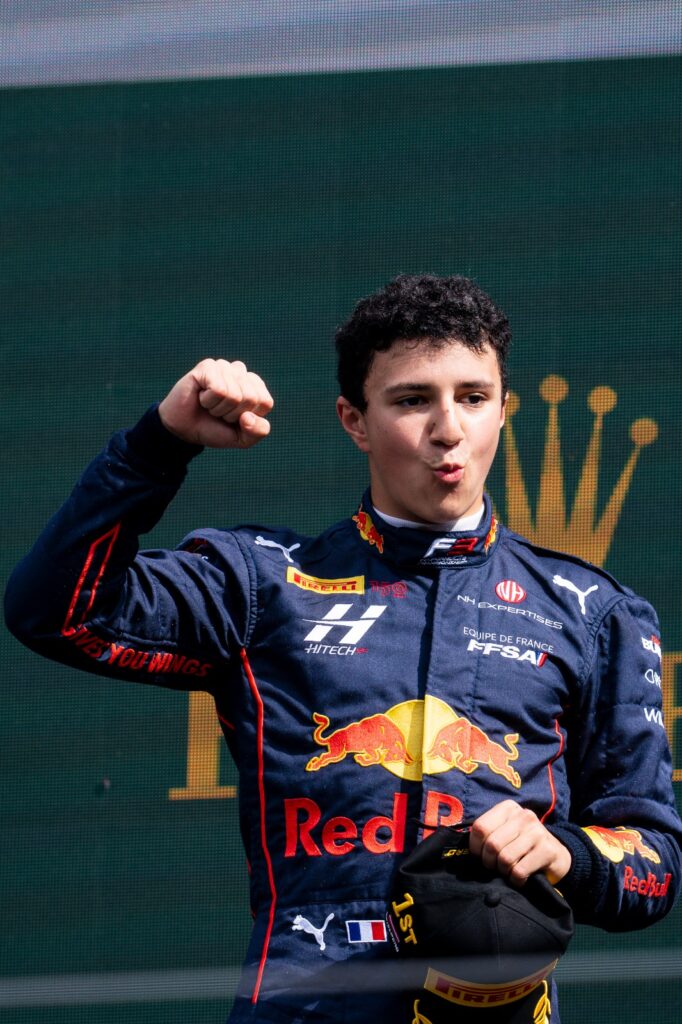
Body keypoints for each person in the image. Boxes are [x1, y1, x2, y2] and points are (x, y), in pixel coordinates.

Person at [5, 274, 681, 1023]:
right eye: (412, 400)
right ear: (354, 421)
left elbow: (655, 864)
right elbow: (54, 611)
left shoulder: (593, 612)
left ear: (501, 410)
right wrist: (159, 443)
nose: (448, 429)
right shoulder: (264, 584)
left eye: (473, 397)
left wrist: (565, 854)